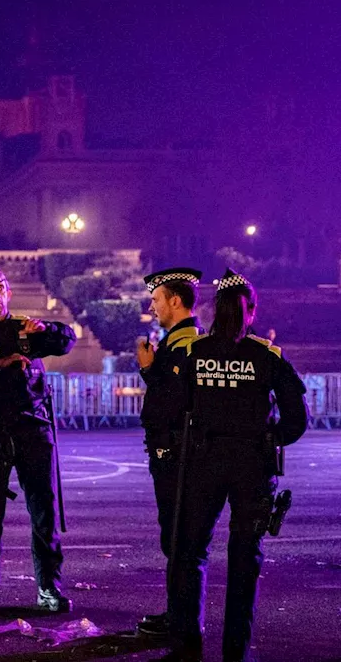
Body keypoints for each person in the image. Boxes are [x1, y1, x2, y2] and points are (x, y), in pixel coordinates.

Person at [161, 269, 308, 662]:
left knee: (191, 553)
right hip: (252, 467)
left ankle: (186, 647)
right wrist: (269, 439)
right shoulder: (267, 355)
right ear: (251, 310)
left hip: (204, 462)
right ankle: (235, 653)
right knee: (244, 559)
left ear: (214, 308)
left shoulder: (194, 353)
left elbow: (174, 407)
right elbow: (297, 418)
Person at [0, 263, 76, 614]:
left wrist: (45, 329)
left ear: (9, 294)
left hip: (34, 430)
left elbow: (67, 339)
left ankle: (48, 586)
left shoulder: (26, 328)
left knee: (44, 513)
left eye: (0, 289)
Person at [134, 268, 203, 638]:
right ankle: (178, 615)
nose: (152, 306)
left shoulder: (186, 346)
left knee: (180, 540)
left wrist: (148, 370)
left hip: (177, 456)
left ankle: (183, 623)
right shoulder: (180, 343)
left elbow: (171, 404)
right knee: (176, 540)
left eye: (156, 299)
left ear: (175, 301)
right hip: (175, 454)